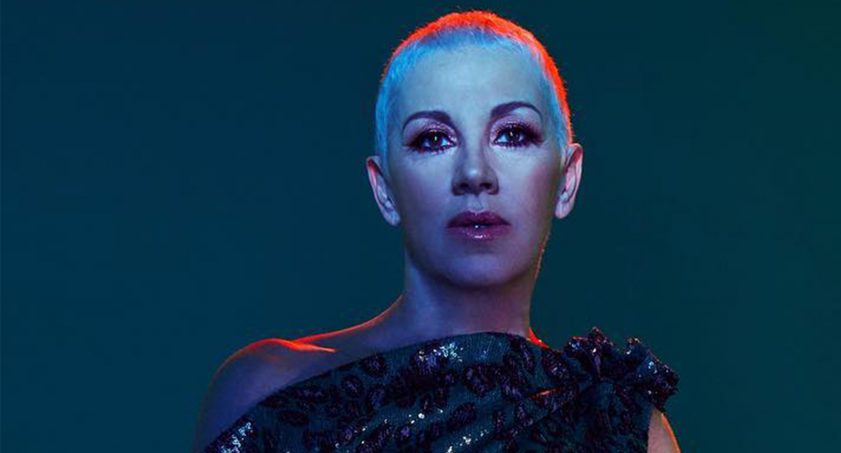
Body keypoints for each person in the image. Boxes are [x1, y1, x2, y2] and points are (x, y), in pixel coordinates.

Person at [194, 10, 681, 452]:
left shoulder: (620, 428)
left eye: (513, 134)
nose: (474, 173)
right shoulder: (271, 388)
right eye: (433, 139)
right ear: (385, 189)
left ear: (567, 180)